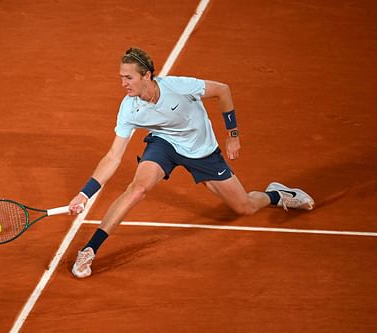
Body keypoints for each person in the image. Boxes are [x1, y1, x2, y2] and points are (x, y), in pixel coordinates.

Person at [67, 47, 314, 278]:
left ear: (147, 75)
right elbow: (113, 156)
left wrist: (233, 135)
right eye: (121, 77)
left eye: (128, 78)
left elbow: (223, 90)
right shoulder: (129, 108)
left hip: (201, 150)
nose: (123, 84)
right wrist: (84, 194)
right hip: (165, 145)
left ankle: (276, 195)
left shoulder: (179, 86)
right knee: (137, 189)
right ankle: (89, 249)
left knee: (245, 207)